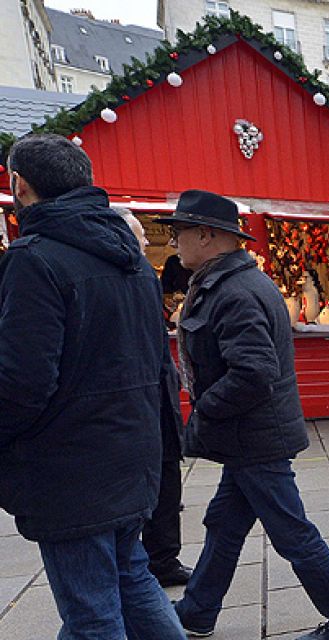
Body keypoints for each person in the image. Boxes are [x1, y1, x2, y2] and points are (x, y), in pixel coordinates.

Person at [0, 135, 220, 640]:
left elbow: (21, 380)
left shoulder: (34, 260)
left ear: (23, 187)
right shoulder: (126, 251)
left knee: (89, 602)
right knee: (129, 576)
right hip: (129, 447)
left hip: (71, 459)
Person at [163, 190, 329, 640]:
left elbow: (253, 374)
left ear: (207, 235)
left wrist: (204, 411)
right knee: (224, 522)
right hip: (249, 435)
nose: (174, 240)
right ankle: (198, 609)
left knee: (291, 531)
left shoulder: (235, 290)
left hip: (254, 436)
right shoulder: (227, 282)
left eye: (178, 231)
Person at [117, 208, 193, 588]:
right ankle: (155, 560)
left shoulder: (142, 275)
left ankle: (162, 558)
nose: (148, 242)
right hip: (142, 400)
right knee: (154, 483)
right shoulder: (132, 277)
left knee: (166, 480)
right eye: (140, 235)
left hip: (158, 395)